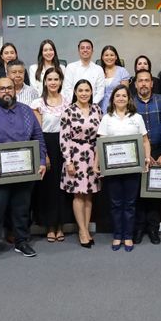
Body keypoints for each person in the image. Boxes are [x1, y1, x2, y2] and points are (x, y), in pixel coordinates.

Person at [0, 76, 47, 266]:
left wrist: (41, 161)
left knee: (21, 209)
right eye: (1, 89)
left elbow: (38, 136)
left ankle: (21, 241)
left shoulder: (26, 111)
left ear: (15, 90)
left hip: (24, 171)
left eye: (9, 88)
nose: (6, 91)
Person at [94, 85, 151, 252]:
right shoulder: (107, 118)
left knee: (130, 204)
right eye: (117, 95)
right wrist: (96, 164)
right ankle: (117, 235)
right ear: (113, 99)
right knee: (116, 203)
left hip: (133, 168)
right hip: (113, 169)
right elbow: (100, 142)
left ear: (128, 99)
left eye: (123, 96)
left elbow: (145, 140)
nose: (120, 98)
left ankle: (128, 236)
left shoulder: (137, 117)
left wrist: (146, 158)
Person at [31, 68, 72, 244]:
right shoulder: (38, 103)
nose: (53, 82)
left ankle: (61, 225)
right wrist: (44, 155)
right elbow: (37, 132)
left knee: (62, 187)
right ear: (44, 82)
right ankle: (49, 226)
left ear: (61, 81)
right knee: (47, 188)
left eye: (56, 79)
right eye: (50, 79)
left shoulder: (69, 102)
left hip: (64, 146)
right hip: (46, 144)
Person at [60, 79, 103, 247]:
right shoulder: (68, 111)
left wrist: (98, 161)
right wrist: (68, 161)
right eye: (81, 90)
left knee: (89, 194)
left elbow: (101, 135)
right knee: (78, 194)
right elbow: (64, 138)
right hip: (75, 156)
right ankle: (82, 231)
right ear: (75, 92)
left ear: (91, 92)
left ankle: (86, 228)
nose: (84, 93)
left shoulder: (97, 110)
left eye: (87, 90)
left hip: (93, 156)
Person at [133, 69, 161, 245]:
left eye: (147, 80)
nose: (144, 84)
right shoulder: (130, 102)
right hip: (137, 152)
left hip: (157, 150)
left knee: (155, 192)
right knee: (139, 192)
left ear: (152, 83)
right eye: (140, 81)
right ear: (135, 84)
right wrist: (144, 154)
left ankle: (154, 229)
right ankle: (139, 228)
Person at [62, 38, 105, 104]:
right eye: (82, 48)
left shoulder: (98, 69)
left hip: (93, 107)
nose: (85, 50)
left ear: (92, 51)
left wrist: (90, 105)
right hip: (73, 106)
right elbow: (67, 89)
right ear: (78, 51)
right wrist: (77, 104)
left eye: (88, 48)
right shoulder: (70, 67)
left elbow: (100, 91)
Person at [99, 44, 130, 110]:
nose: (109, 57)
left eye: (112, 55)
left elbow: (125, 93)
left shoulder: (122, 71)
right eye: (106, 55)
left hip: (117, 108)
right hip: (99, 108)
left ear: (116, 57)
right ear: (102, 57)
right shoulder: (98, 71)